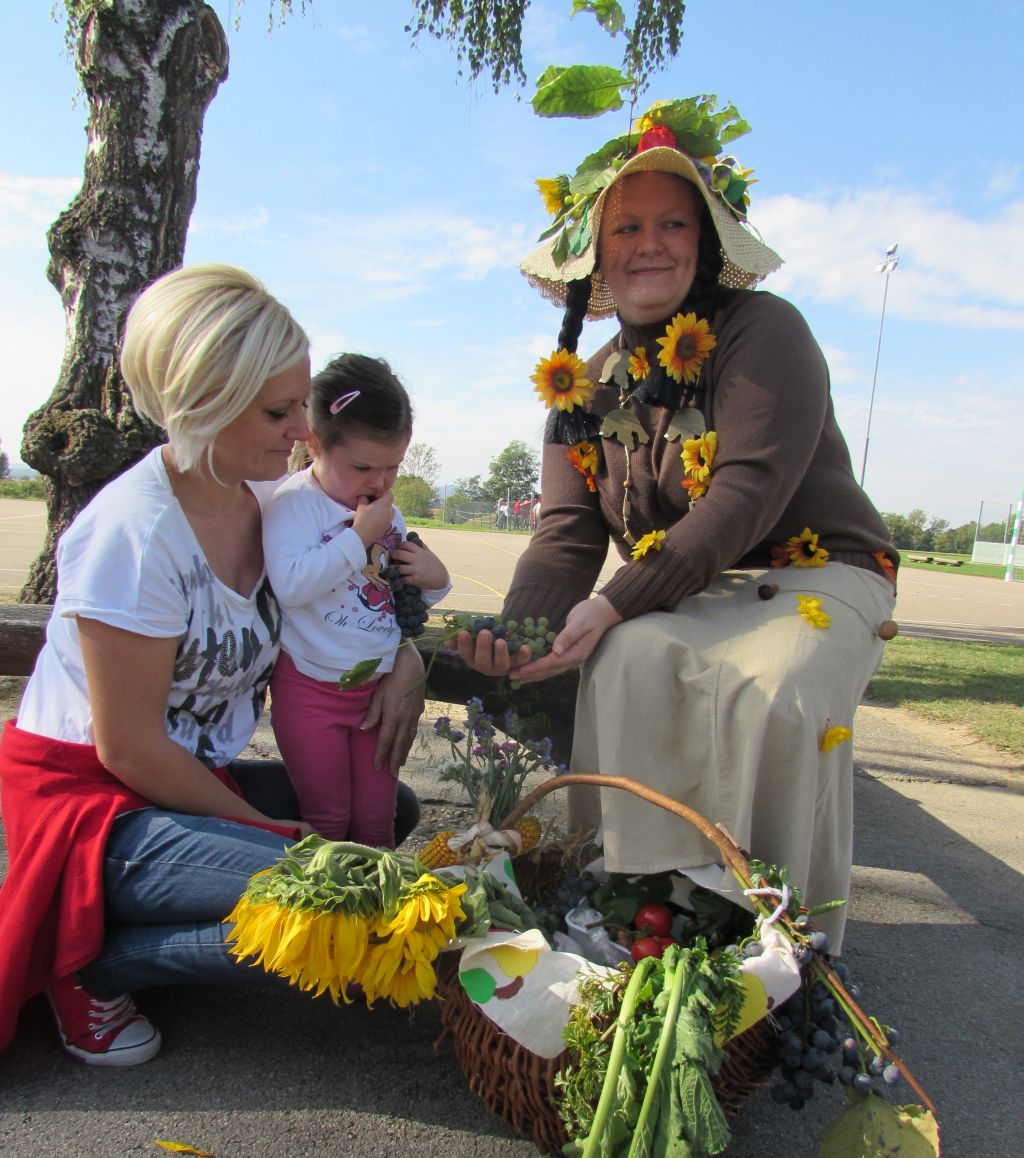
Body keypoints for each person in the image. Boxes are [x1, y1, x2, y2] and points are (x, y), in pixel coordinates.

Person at [456, 97, 900, 950]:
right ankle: (634, 905)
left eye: (671, 223)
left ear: (706, 241)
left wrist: (614, 600)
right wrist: (517, 635)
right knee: (625, 657)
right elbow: (564, 534)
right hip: (694, 588)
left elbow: (744, 494)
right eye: (625, 228)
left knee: (776, 686)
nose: (648, 244)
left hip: (824, 572)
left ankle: (775, 938)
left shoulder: (765, 332)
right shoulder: (580, 387)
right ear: (596, 254)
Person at [0, 264, 424, 1066]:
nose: (302, 431)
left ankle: (148, 924)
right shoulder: (135, 536)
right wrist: (262, 828)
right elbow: (127, 747)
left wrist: (409, 659)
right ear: (205, 402)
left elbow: (354, 598)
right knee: (331, 888)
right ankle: (88, 964)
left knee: (387, 818)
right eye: (278, 411)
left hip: (184, 783)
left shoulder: (262, 499)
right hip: (93, 807)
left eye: (300, 406)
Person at [262, 354, 450, 845]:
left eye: (393, 467)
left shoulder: (387, 515)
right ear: (315, 443)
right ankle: (325, 896)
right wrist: (359, 536)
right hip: (310, 691)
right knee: (327, 818)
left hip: (376, 692)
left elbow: (399, 600)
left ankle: (375, 895)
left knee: (375, 819)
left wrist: (437, 581)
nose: (380, 483)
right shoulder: (295, 505)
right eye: (363, 467)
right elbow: (292, 586)